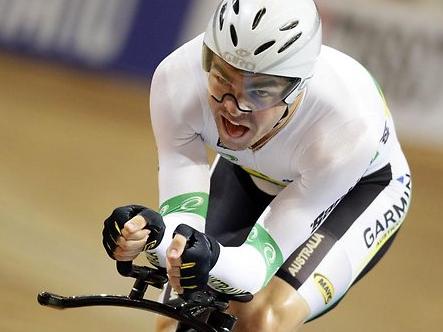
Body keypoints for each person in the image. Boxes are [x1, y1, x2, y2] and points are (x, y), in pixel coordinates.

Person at [102, 0, 412, 331]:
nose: (234, 107)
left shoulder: (344, 128)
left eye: (260, 91)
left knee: (260, 319)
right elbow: (182, 231)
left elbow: (253, 271)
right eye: (223, 79)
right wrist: (153, 236)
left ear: (296, 88)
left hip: (358, 189)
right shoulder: (178, 79)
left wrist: (212, 257)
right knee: (178, 321)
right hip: (253, 172)